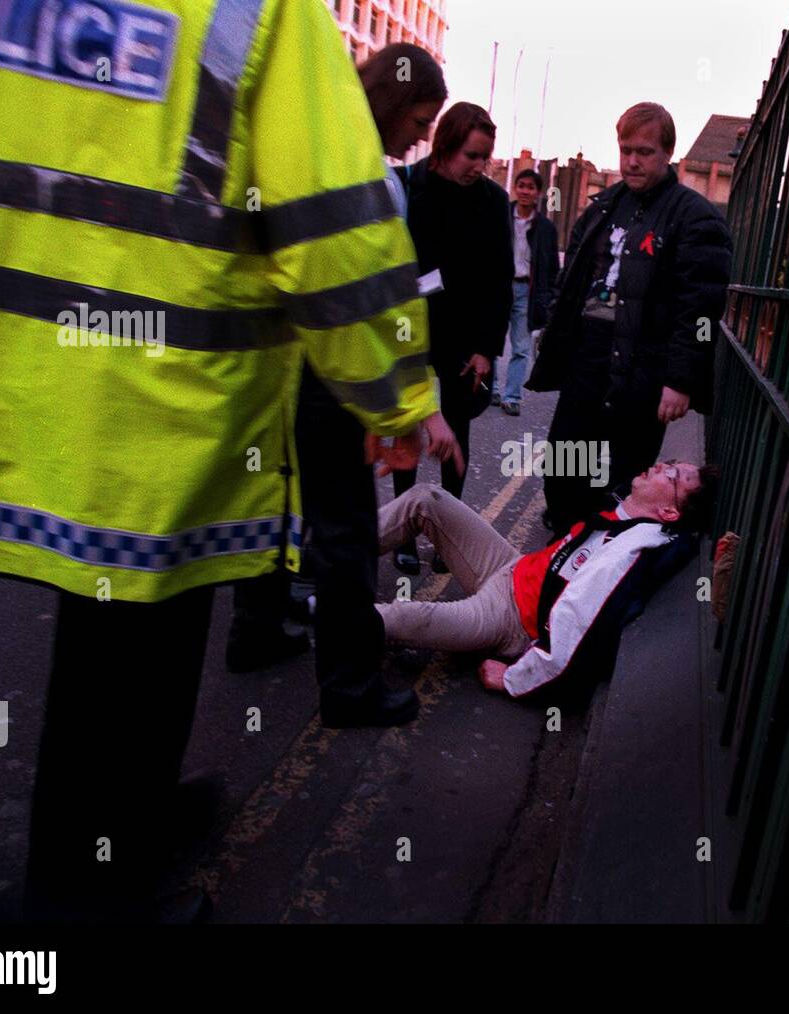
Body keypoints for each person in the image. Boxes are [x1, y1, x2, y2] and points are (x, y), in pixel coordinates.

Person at [0, 0, 435, 922]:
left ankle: (126, 819)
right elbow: (333, 229)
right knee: (126, 653)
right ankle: (94, 890)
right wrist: (396, 396)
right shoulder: (259, 11)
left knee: (110, 654)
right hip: (148, 411)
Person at [226, 42, 462, 731]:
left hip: (275, 362)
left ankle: (254, 630)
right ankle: (351, 686)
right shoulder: (361, 174)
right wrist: (402, 405)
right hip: (335, 374)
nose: (420, 137)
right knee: (347, 534)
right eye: (419, 121)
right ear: (392, 102)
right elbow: (368, 299)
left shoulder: (308, 144)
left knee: (274, 503)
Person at [527, 103, 734, 533]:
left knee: (622, 473)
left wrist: (680, 380)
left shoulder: (694, 217)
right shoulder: (603, 207)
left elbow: (699, 308)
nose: (632, 161)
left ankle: (602, 545)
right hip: (588, 358)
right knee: (566, 458)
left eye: (644, 151)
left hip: (645, 367)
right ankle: (564, 532)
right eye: (625, 150)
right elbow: (571, 282)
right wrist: (554, 333)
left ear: (668, 153)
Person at [374, 460, 720, 699]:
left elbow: (580, 620)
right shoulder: (625, 505)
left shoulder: (631, 550)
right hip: (510, 566)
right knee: (426, 499)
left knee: (401, 617)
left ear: (669, 512)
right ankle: (340, 557)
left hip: (509, 619)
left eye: (671, 474)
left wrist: (513, 680)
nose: (659, 466)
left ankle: (338, 616)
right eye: (668, 463)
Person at [392, 102, 514, 575]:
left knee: (456, 435)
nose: (479, 166)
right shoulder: (407, 187)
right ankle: (403, 531)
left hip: (465, 337)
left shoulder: (493, 201)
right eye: (471, 155)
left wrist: (486, 347)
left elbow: (499, 278)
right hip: (412, 332)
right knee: (408, 430)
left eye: (485, 157)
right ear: (445, 145)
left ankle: (448, 538)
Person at [499, 169, 561, 416]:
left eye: (530, 187)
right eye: (521, 185)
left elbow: (552, 268)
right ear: (515, 188)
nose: (525, 191)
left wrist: (549, 298)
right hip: (500, 287)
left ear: (538, 193)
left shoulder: (546, 228)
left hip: (528, 290)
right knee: (491, 342)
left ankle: (512, 397)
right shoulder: (501, 217)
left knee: (521, 347)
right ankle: (491, 389)